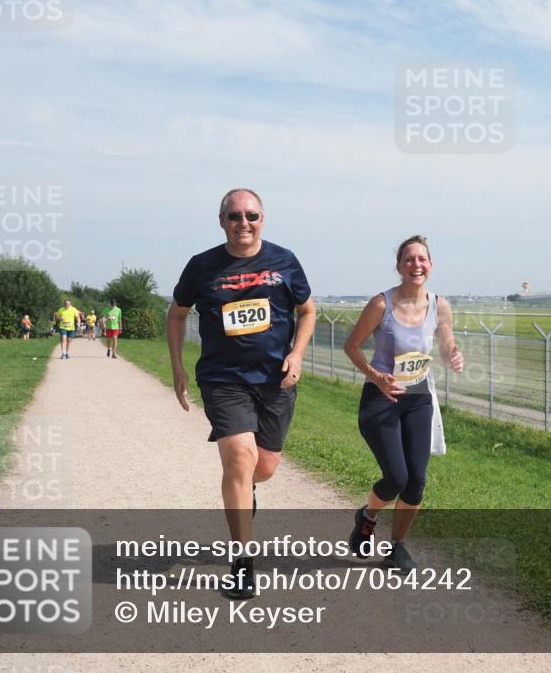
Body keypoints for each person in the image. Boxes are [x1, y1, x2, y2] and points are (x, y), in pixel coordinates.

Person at [167, 188, 316, 599]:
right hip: (223, 378)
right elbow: (177, 314)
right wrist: (178, 367)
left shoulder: (285, 261)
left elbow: (307, 310)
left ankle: (243, 489)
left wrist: (298, 354)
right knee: (239, 456)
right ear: (222, 221)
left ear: (263, 219)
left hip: (275, 380)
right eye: (234, 216)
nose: (243, 223)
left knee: (262, 468)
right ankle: (242, 562)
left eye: (251, 215)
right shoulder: (202, 266)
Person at [343, 235, 463, 572]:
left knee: (417, 480)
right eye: (409, 259)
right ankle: (367, 517)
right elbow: (352, 346)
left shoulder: (439, 305)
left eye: (422, 259)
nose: (416, 265)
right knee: (395, 477)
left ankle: (397, 547)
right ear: (399, 267)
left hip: (418, 397)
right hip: (381, 398)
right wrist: (377, 377)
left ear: (431, 265)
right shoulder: (381, 304)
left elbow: (445, 342)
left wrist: (452, 354)